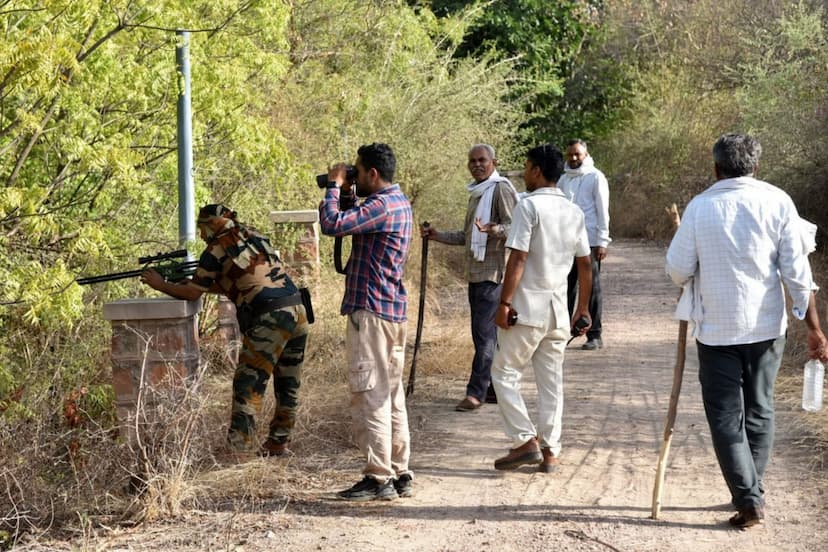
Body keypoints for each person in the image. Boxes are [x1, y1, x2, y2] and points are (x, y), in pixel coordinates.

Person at [666, 133, 828, 528]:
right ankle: (750, 490)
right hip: (766, 328)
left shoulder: (700, 207)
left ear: (716, 168)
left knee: (724, 416)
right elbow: (797, 273)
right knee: (760, 410)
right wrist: (815, 329)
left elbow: (678, 269)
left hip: (716, 330)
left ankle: (748, 496)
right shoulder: (778, 202)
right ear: (756, 167)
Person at [141, 204, 309, 458]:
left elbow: (191, 293)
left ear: (213, 223)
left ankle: (239, 451)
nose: (201, 234)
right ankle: (278, 444)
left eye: (202, 227)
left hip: (270, 316)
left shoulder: (217, 247)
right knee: (288, 384)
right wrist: (200, 284)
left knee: (247, 384)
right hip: (297, 310)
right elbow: (244, 280)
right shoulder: (253, 235)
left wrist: (160, 284)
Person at [485, 144, 592, 473]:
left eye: (528, 166)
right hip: (559, 311)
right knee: (551, 383)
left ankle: (523, 440)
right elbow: (585, 265)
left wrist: (504, 302)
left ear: (536, 171)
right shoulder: (573, 211)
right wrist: (582, 309)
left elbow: (518, 256)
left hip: (526, 310)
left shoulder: (528, 206)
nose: (526, 172)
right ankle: (551, 451)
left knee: (503, 373)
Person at [318, 143, 414, 502]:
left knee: (370, 394)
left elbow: (332, 224)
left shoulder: (381, 206)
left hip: (371, 314)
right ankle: (400, 471)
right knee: (391, 395)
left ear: (372, 174)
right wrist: (346, 192)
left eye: (357, 172)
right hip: (391, 312)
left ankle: (378, 478)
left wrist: (333, 185)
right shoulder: (397, 203)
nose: (353, 178)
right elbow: (353, 221)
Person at [422, 144, 519, 411]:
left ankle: (475, 393)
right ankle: (493, 389)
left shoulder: (500, 188)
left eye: (482, 160)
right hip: (476, 273)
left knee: (484, 336)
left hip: (492, 274)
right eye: (472, 161)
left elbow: (516, 229)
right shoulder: (477, 192)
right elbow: (469, 236)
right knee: (484, 336)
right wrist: (437, 235)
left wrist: (494, 229)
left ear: (494, 162)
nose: (477, 164)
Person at [558, 139, 610, 350]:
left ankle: (594, 334)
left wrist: (603, 241)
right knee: (565, 287)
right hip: (566, 242)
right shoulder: (563, 179)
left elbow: (602, 209)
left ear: (585, 154)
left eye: (577, 154)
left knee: (592, 288)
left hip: (590, 241)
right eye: (570, 155)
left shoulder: (595, 177)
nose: (573, 158)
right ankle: (562, 332)